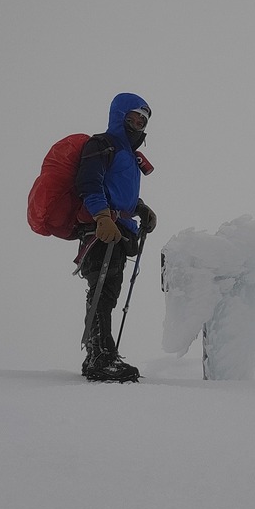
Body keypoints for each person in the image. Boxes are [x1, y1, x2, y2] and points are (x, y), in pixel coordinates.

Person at [74, 93, 157, 382]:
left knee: (107, 291)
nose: (138, 123)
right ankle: (101, 357)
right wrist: (101, 216)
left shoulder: (128, 156)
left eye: (143, 120)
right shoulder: (103, 144)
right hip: (102, 231)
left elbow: (120, 193)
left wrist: (140, 209)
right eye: (133, 117)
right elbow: (89, 182)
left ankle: (99, 355)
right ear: (119, 116)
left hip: (117, 230)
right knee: (103, 290)